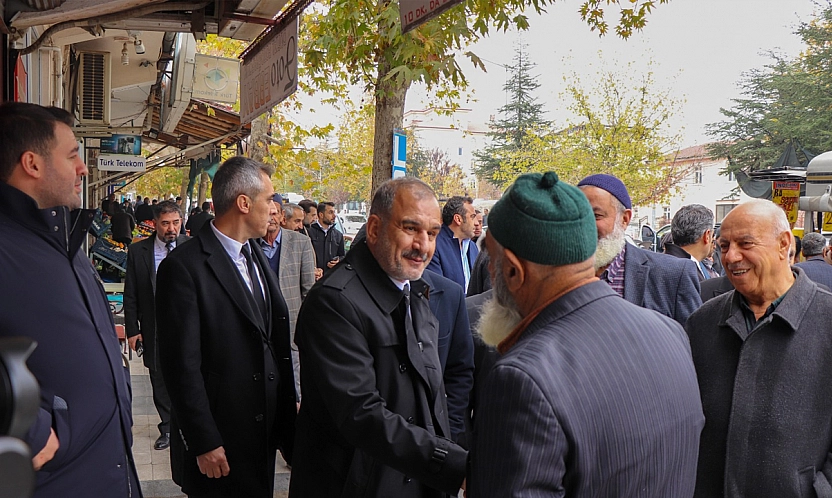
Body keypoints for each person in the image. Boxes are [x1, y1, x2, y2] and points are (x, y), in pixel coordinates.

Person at [469, 171, 704, 497]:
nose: (489, 274)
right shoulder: (668, 332)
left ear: (512, 269)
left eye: (491, 261)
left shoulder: (522, 377)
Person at [289, 177, 467, 497]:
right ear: (373, 229)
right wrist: (451, 462)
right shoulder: (334, 301)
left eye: (433, 233)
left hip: (414, 477)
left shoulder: (415, 290)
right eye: (411, 228)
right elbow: (361, 414)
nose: (423, 245)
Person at [0, 102, 141, 496]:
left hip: (110, 471)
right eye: (73, 156)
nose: (83, 169)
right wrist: (34, 430)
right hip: (55, 479)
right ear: (32, 163)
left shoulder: (67, 241)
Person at [156, 156, 297, 497]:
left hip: (261, 432)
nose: (275, 210)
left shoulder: (254, 254)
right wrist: (203, 440)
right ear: (244, 203)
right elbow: (180, 366)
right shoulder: (183, 268)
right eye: (270, 200)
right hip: (221, 440)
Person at [687, 200, 832, 496]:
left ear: (784, 244)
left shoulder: (827, 319)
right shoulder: (703, 321)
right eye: (723, 245)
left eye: (745, 243)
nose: (731, 256)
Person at [577, 174, 702, 325]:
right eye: (577, 216)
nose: (584, 225)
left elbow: (692, 342)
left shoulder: (672, 274)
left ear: (624, 219)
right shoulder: (556, 274)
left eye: (596, 216)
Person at [124, 200, 190, 452]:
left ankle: (187, 425)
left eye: (176, 222)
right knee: (159, 379)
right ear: (154, 224)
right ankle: (168, 428)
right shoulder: (139, 252)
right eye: (165, 223)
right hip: (155, 328)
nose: (171, 228)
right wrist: (133, 329)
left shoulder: (191, 247)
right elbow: (131, 294)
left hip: (187, 326)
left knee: (188, 375)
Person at [259, 196, 316, 399]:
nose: (271, 218)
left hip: (291, 329)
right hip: (260, 328)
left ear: (282, 216)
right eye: (267, 213)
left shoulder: (300, 243)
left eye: (275, 213)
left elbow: (309, 290)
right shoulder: (251, 245)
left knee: (294, 388)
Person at [426, 195, 480, 292]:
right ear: (458, 219)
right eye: (472, 217)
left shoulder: (472, 247)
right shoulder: (434, 245)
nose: (476, 223)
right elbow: (437, 292)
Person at [663, 204, 716, 281]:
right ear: (707, 236)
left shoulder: (664, 263)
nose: (714, 246)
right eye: (712, 236)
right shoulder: (686, 273)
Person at [307, 201, 345, 276]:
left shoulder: (338, 235)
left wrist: (338, 261)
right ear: (321, 215)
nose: (334, 216)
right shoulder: (308, 232)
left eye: (334, 212)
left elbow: (342, 256)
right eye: (330, 213)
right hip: (313, 277)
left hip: (331, 278)